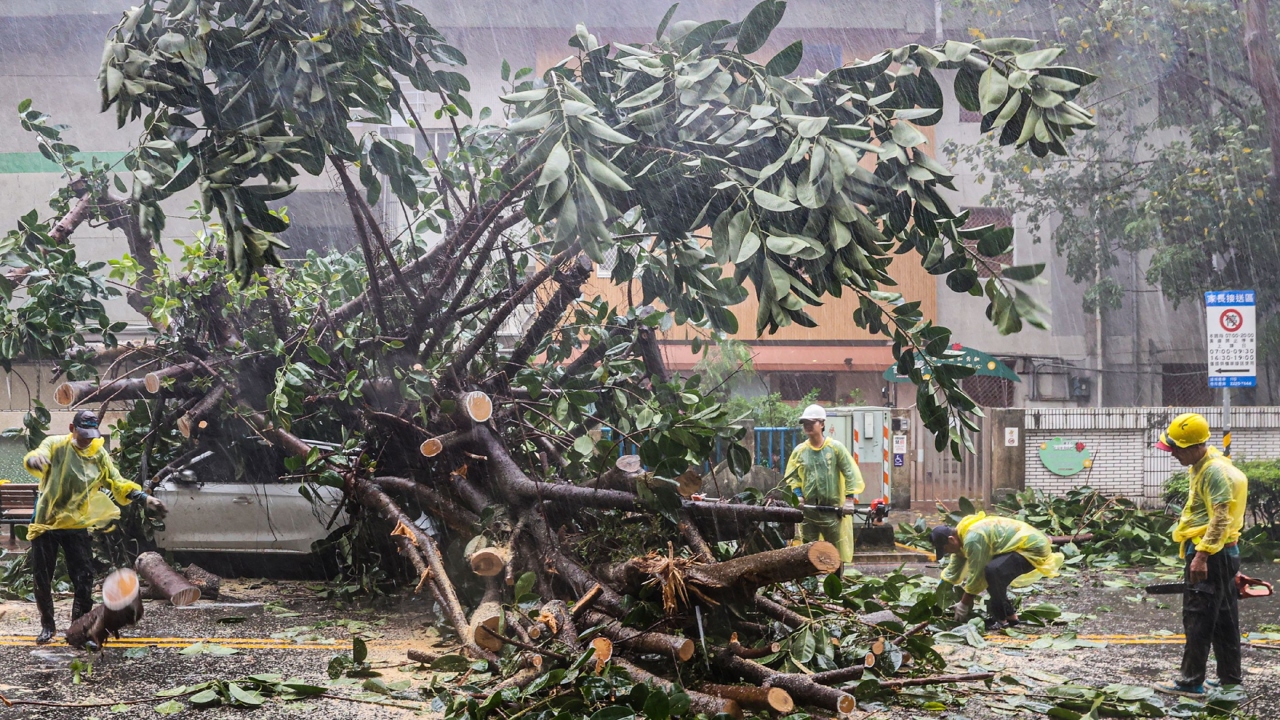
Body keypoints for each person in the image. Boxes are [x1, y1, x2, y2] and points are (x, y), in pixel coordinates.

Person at [23, 410, 167, 644]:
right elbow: (38, 454)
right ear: (72, 428)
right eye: (83, 435)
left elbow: (116, 481)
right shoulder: (55, 445)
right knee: (42, 577)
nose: (87, 440)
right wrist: (34, 460)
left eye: (91, 435)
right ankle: (47, 625)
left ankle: (78, 628)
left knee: (84, 577)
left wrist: (145, 499)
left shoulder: (97, 453)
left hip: (76, 524)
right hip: (46, 523)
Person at [1152, 412, 1247, 697]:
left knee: (1198, 617)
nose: (1174, 454)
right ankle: (1230, 678)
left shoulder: (1213, 471)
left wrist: (1202, 556)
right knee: (1224, 619)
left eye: (1177, 449)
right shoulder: (1209, 462)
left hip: (1211, 552)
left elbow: (1221, 518)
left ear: (1194, 446)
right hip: (1224, 552)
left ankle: (1190, 681)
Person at [932, 511, 1063, 632]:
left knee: (992, 572)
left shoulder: (973, 538)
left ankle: (1001, 620)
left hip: (1032, 548)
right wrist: (937, 597)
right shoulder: (960, 537)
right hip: (1018, 546)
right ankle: (1011, 617)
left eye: (945, 549)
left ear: (951, 539)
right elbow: (952, 571)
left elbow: (976, 575)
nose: (947, 553)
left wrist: (964, 604)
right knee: (993, 573)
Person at [785, 404, 863, 563]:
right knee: (807, 554)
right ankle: (809, 585)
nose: (807, 426)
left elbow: (850, 472)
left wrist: (849, 499)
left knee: (835, 553)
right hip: (808, 511)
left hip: (831, 512)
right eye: (805, 423)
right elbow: (792, 477)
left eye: (811, 422)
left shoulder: (835, 449)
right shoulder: (800, 451)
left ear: (822, 423)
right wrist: (798, 495)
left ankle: (836, 584)